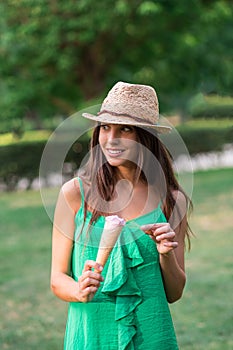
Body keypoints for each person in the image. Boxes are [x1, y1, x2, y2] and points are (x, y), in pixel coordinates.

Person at [50, 81, 193, 350]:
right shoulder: (74, 194)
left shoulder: (172, 200)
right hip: (92, 335)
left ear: (146, 136)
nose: (111, 138)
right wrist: (78, 292)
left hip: (151, 335)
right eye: (105, 127)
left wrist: (165, 254)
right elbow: (57, 279)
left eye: (125, 128)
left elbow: (174, 293)